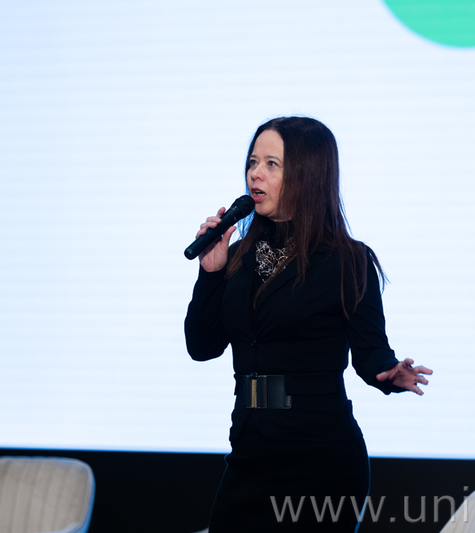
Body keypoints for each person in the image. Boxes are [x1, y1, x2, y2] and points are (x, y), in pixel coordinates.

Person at [184, 116, 432, 532]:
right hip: (249, 454)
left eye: (272, 164)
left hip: (320, 461)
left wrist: (390, 373)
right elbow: (202, 347)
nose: (255, 174)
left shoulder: (346, 260)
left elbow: (371, 351)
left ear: (308, 174)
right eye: (252, 162)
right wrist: (210, 274)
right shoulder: (237, 255)